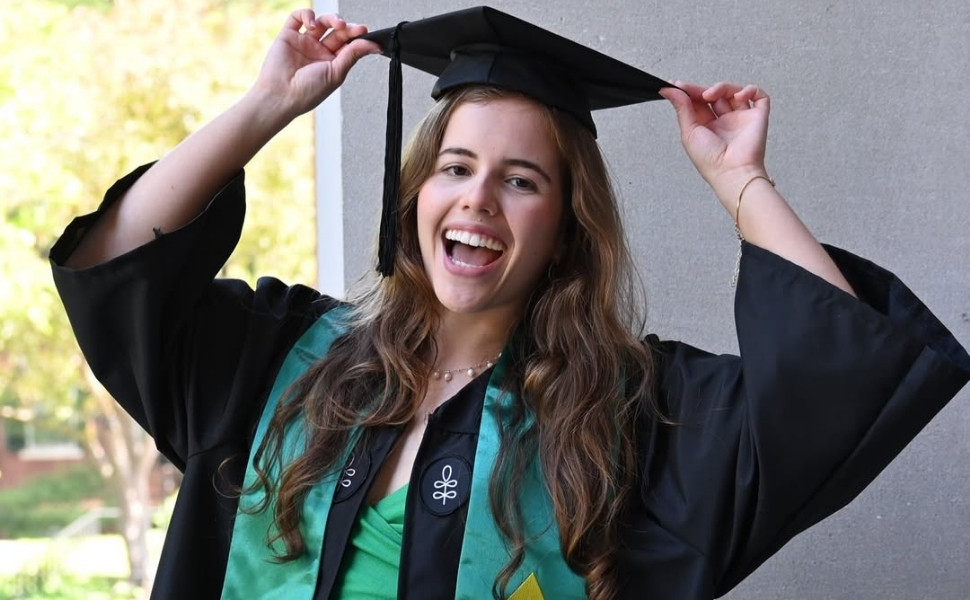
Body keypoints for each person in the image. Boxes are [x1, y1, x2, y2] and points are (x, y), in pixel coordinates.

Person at [50, 7, 969, 600]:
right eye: (455, 168)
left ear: (566, 228)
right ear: (416, 196)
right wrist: (266, 106)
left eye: (521, 180)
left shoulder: (630, 416)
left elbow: (841, 385)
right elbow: (119, 265)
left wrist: (742, 181)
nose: (479, 199)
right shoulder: (285, 359)